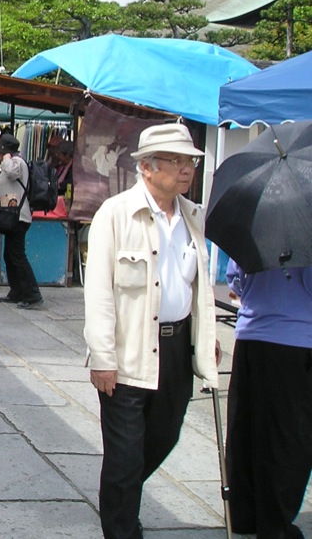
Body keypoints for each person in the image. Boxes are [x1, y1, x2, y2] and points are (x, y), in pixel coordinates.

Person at [83, 123, 219, 539]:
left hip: (176, 349)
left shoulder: (192, 216)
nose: (186, 169)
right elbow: (99, 291)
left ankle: (121, 501)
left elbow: (198, 289)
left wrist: (206, 338)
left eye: (189, 161)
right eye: (175, 161)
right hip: (128, 352)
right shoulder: (116, 214)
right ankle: (122, 527)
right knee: (125, 456)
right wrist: (102, 357)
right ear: (147, 167)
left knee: (164, 436)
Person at [225, 259, 312, 539]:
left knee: (245, 429)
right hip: (296, 340)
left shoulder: (256, 233)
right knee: (289, 438)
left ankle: (242, 514)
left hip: (250, 335)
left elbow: (234, 278)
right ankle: (275, 525)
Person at [0, 133, 44, 309]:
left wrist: (6, 158)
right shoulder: (13, 162)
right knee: (10, 255)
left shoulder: (17, 162)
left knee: (17, 256)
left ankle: (33, 295)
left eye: (0, 151)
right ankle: (17, 291)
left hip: (19, 217)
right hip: (12, 215)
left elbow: (12, 173)